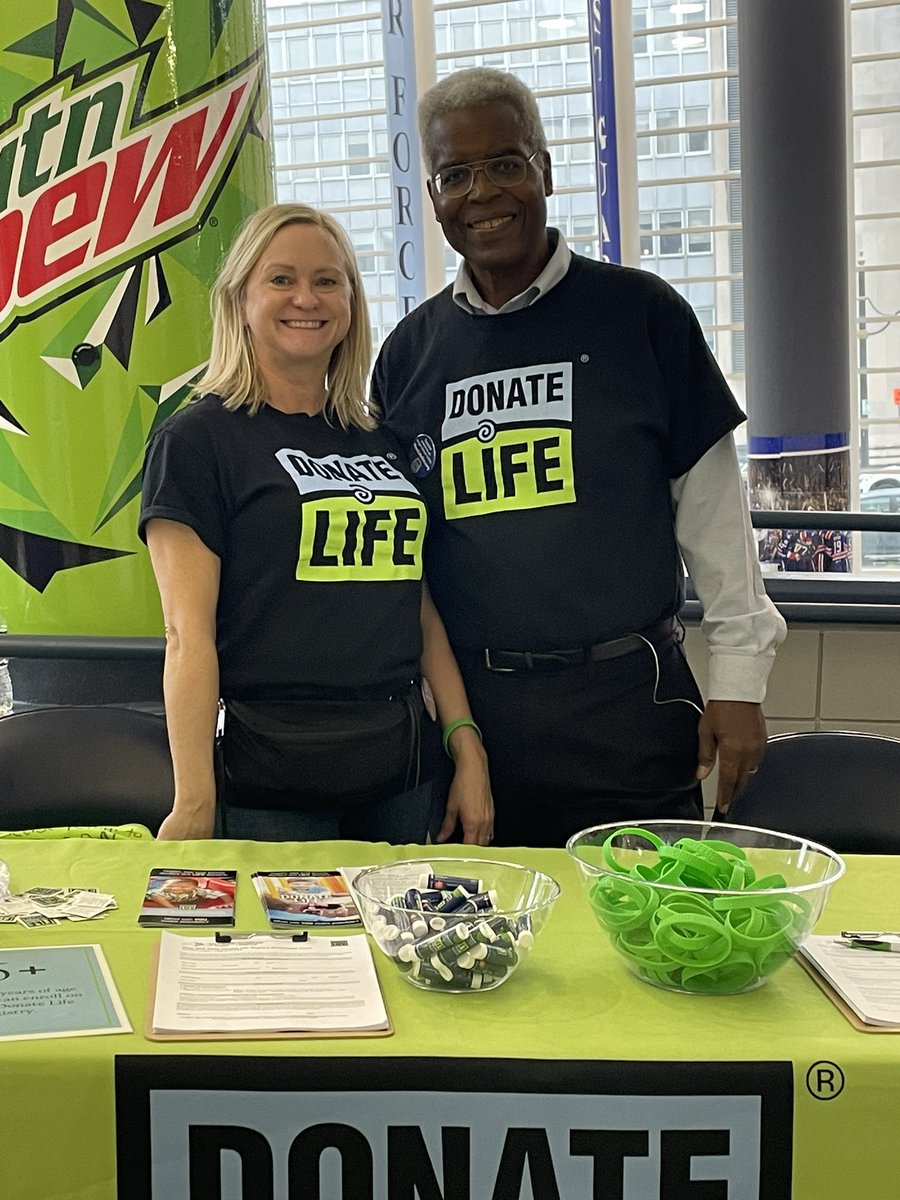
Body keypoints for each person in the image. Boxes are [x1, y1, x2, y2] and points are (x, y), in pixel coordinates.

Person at [372, 68, 787, 848]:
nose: (482, 192)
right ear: (432, 198)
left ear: (546, 171)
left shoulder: (644, 315)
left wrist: (740, 684)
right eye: (454, 175)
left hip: (630, 714)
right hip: (474, 738)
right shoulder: (408, 356)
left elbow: (715, 520)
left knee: (649, 941)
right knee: (481, 953)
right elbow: (408, 566)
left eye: (505, 163)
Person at [140, 203, 492, 844]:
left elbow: (415, 605)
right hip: (269, 782)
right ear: (240, 299)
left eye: (329, 281)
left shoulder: (378, 440)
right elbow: (185, 636)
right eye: (281, 279)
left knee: (400, 947)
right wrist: (194, 798)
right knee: (281, 950)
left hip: (403, 774)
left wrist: (466, 744)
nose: (307, 297)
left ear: (351, 303)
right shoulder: (196, 441)